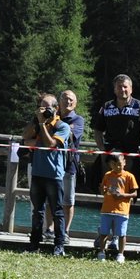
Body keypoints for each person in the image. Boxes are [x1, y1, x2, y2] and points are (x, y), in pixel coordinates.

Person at [23, 93, 72, 256]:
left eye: (47, 107)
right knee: (37, 211)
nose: (44, 110)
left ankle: (59, 246)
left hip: (54, 175)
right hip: (37, 173)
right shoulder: (38, 123)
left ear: (56, 109)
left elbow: (51, 144)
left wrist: (42, 125)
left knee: (57, 211)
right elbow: (25, 138)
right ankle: (34, 244)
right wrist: (36, 120)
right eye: (41, 107)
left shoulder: (62, 126)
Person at [92, 75, 140, 188]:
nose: (122, 90)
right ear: (114, 89)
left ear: (131, 88)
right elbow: (97, 130)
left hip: (130, 155)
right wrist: (102, 150)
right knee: (107, 189)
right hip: (110, 156)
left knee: (127, 189)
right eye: (119, 87)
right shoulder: (106, 106)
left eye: (125, 86)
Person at [94, 152, 138, 263]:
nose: (117, 167)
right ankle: (102, 252)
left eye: (119, 164)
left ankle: (120, 254)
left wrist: (122, 195)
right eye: (113, 164)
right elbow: (103, 190)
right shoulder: (108, 175)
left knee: (122, 233)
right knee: (104, 232)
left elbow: (134, 194)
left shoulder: (129, 176)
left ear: (124, 162)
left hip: (122, 210)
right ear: (110, 165)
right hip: (107, 209)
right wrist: (102, 189)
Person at [58, 89, 88, 234]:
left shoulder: (78, 120)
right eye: (65, 98)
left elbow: (70, 138)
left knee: (68, 201)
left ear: (75, 103)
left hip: (69, 165)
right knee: (52, 198)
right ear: (59, 101)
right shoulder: (53, 117)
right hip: (52, 163)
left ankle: (65, 231)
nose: (68, 102)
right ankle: (50, 229)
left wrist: (57, 129)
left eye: (71, 99)